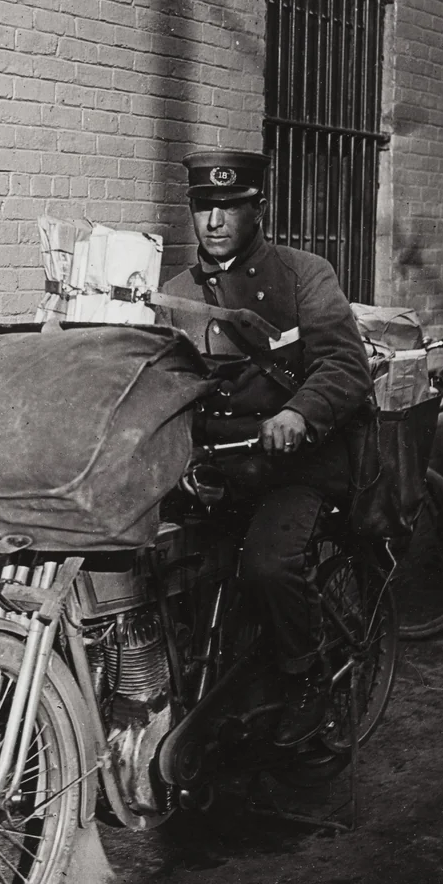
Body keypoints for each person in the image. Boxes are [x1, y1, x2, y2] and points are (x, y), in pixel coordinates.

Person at [157, 149, 373, 749]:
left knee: (268, 565)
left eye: (230, 207)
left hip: (295, 462)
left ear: (259, 208)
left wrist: (299, 411)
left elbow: (344, 364)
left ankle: (307, 680)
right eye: (204, 207)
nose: (215, 221)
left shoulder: (305, 274)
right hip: (218, 466)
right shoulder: (175, 291)